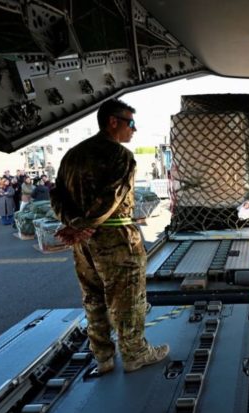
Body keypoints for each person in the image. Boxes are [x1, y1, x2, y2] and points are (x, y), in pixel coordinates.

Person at [51, 99, 169, 375]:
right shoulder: (120, 156)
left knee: (93, 298)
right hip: (115, 237)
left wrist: (73, 224)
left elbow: (56, 194)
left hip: (83, 243)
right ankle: (134, 353)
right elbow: (112, 197)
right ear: (113, 122)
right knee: (127, 297)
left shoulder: (72, 155)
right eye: (130, 123)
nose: (134, 130)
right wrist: (83, 223)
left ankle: (103, 356)